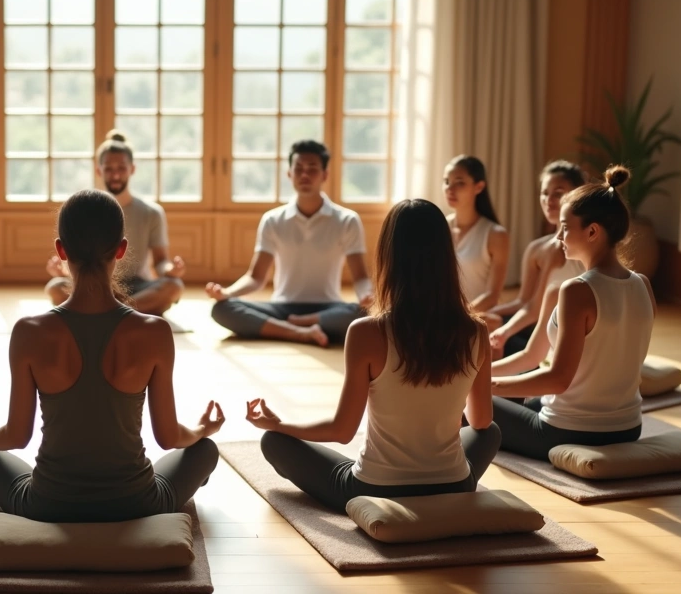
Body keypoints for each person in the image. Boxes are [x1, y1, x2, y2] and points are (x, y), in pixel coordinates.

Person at [0, 189, 223, 523]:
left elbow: (15, 436)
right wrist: (202, 428)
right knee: (205, 450)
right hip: (137, 503)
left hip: (49, 504)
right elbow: (169, 437)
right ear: (122, 249)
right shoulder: (154, 331)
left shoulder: (28, 331)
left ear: (61, 250)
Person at [245, 199, 499, 514]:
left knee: (274, 442)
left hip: (375, 489)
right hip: (454, 484)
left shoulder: (367, 331)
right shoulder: (476, 331)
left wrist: (280, 425)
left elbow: (341, 431)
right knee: (491, 433)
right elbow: (481, 421)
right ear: (447, 257)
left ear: (388, 257)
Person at [490, 167, 654, 461]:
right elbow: (531, 357)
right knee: (516, 395)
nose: (560, 237)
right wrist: (482, 373)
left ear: (592, 231)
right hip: (628, 428)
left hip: (567, 431)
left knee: (470, 402)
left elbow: (557, 379)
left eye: (565, 227)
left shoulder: (577, 290)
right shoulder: (642, 284)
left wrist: (483, 386)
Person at [205, 140, 373, 346]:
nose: (304, 175)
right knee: (222, 309)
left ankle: (290, 326)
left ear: (325, 175)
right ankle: (299, 332)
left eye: (312, 169)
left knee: (359, 313)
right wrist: (227, 293)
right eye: (299, 168)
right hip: (282, 307)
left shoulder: (347, 220)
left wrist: (367, 295)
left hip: (328, 309)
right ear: (289, 174)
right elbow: (256, 277)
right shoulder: (273, 219)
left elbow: (361, 277)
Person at [45, 130, 186, 316]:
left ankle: (106, 311)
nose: (116, 175)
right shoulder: (89, 207)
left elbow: (161, 261)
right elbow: (82, 258)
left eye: (121, 168)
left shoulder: (151, 212)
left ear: (132, 169)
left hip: (138, 286)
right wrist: (62, 270)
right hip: (95, 281)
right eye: (109, 169)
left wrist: (171, 270)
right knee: (55, 287)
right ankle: (123, 314)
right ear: (99, 170)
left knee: (173, 286)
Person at [487, 161, 588, 357]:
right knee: (486, 322)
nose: (548, 200)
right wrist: (488, 312)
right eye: (544, 193)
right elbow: (524, 302)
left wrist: (502, 328)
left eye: (558, 193)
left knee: (492, 327)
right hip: (538, 325)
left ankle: (496, 381)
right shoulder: (537, 249)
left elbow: (534, 309)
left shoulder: (586, 246)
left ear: (577, 194)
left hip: (565, 333)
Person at [443, 155, 509, 314]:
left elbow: (492, 296)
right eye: (446, 182)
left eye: (460, 183)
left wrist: (459, 318)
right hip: (440, 316)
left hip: (476, 319)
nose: (450, 190)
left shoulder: (496, 235)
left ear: (479, 187)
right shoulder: (440, 226)